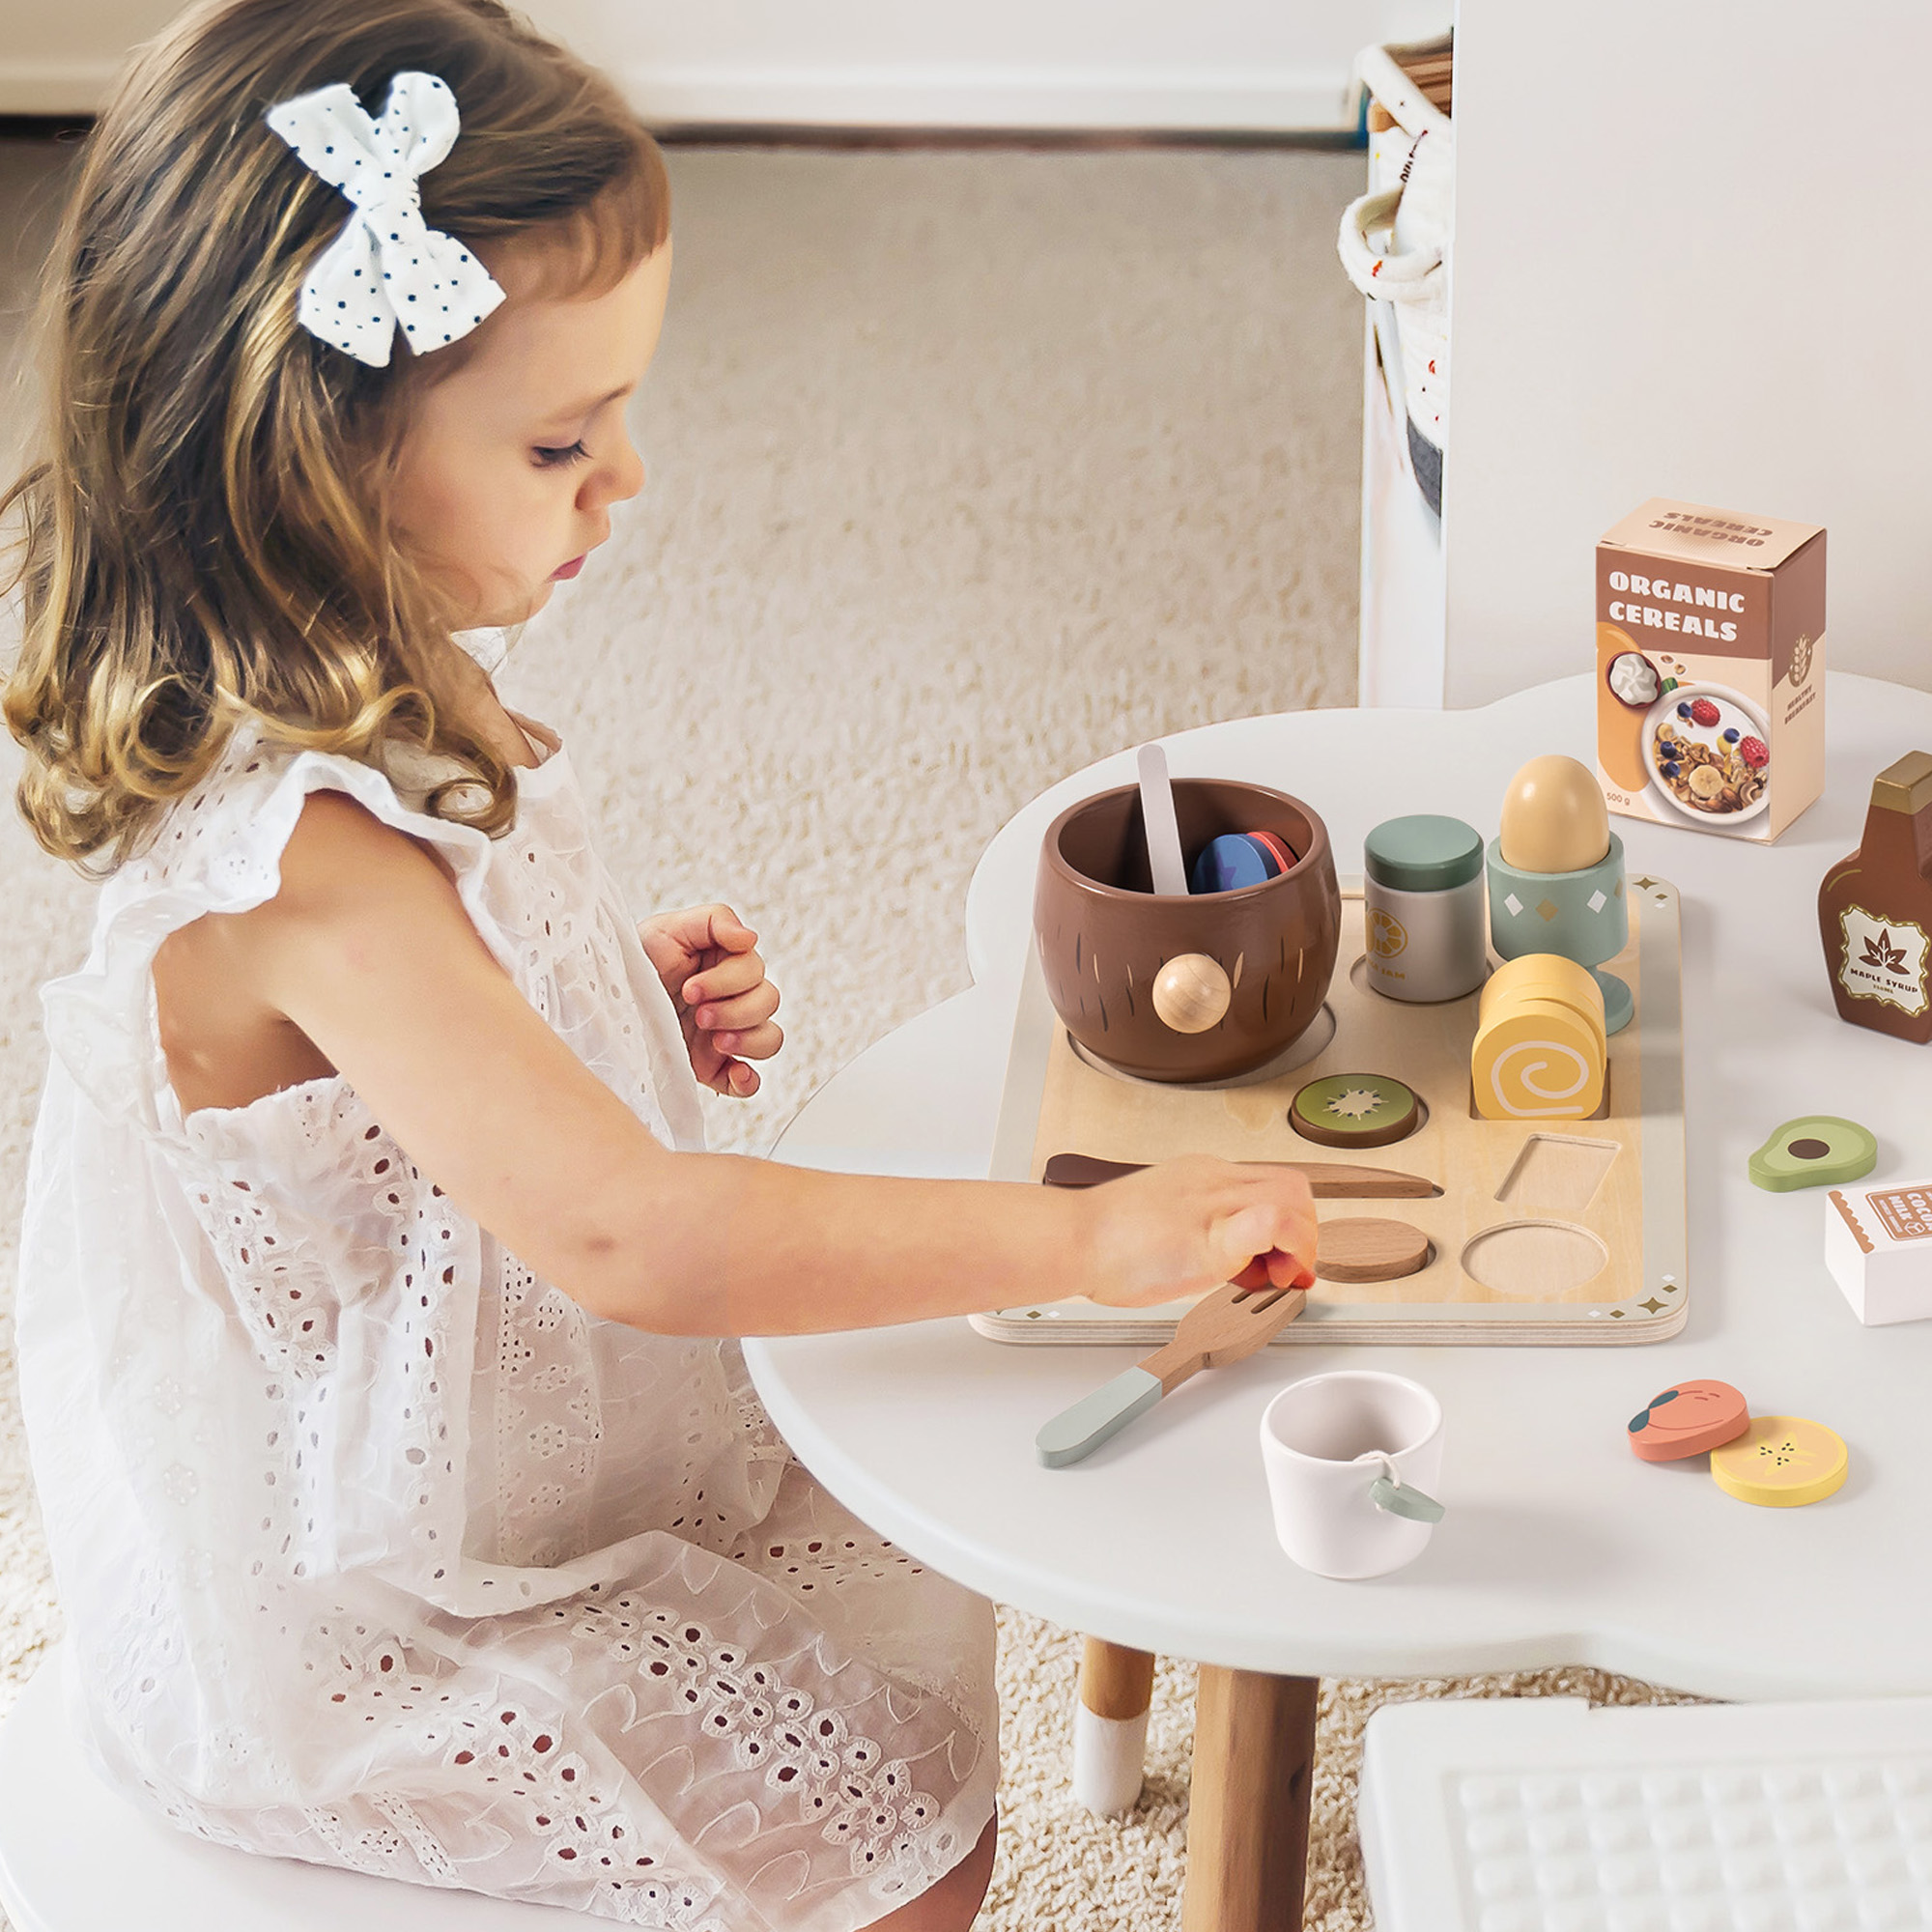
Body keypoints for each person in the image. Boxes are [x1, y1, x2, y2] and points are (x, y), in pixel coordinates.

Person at [0, 3, 1319, 1926]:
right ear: (309, 470)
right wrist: (1083, 1241)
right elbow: (633, 1238)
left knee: (874, 1599)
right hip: (373, 1594)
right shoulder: (312, 863)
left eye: (619, 415)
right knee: (890, 1823)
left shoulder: (374, 696)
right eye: (558, 438)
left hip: (500, 1424)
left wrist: (580, 986)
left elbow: (387, 1061)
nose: (625, 483)